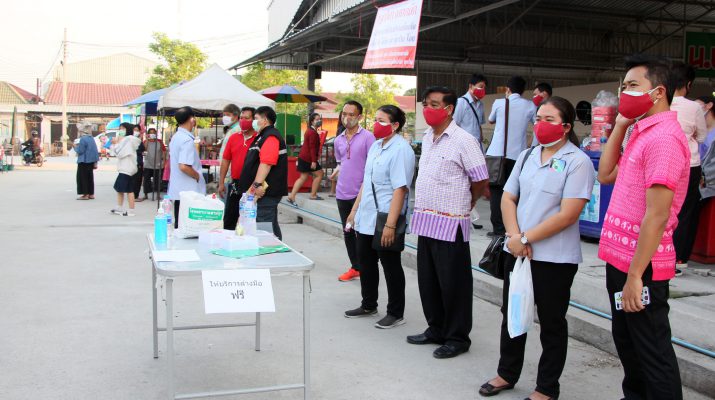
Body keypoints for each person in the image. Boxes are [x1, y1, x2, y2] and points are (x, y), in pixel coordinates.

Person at [479, 97, 595, 400]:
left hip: (554, 258)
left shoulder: (578, 162)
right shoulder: (528, 154)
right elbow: (508, 198)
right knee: (512, 312)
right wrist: (515, 237)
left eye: (549, 119)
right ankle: (507, 373)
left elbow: (568, 214)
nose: (541, 125)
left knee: (552, 322)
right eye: (538, 119)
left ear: (566, 127)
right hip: (518, 253)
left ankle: (546, 387)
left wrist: (525, 239)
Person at [597, 55, 687, 400]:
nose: (625, 92)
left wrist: (636, 275)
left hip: (642, 266)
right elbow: (606, 174)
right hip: (621, 260)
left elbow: (658, 215)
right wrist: (621, 125)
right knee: (628, 341)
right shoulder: (641, 131)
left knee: (652, 349)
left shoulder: (664, 139)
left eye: (633, 85)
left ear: (658, 92)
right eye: (623, 86)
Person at [406, 86, 488, 359]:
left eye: (434, 104)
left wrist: (469, 201)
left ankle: (457, 337)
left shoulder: (464, 140)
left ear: (449, 109)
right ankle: (436, 328)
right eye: (426, 104)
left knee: (454, 284)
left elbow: (480, 179)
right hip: (426, 220)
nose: (428, 109)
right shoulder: (428, 137)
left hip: (450, 222)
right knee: (429, 281)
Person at [343, 105, 415, 328]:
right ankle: (368, 304)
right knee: (366, 262)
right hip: (366, 215)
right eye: (375, 119)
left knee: (390, 265)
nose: (376, 124)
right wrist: (354, 211)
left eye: (382, 120)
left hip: (386, 216)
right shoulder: (375, 146)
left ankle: (395, 312)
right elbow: (367, 181)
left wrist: (391, 225)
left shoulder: (401, 149)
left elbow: (400, 189)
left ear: (395, 125)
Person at [670, 62, 708, 274]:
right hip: (689, 164)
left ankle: (658, 254)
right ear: (689, 84)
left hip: (665, 162)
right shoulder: (694, 107)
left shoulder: (660, 103)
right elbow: (701, 137)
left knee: (661, 209)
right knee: (684, 212)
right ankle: (677, 259)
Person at [487, 76, 537, 237]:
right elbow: (537, 125)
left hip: (496, 154)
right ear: (523, 90)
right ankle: (512, 228)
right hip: (518, 156)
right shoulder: (530, 105)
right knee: (514, 193)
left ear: (507, 89)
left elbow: (490, 120)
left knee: (496, 192)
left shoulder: (499, 103)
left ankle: (498, 229)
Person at [333, 101, 376, 282]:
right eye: (344, 114)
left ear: (359, 117)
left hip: (362, 194)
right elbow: (341, 162)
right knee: (348, 232)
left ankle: (367, 268)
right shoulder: (338, 140)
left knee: (364, 234)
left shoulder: (368, 138)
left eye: (351, 114)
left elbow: (373, 167)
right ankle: (355, 267)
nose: (347, 117)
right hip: (342, 193)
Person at [237, 106, 288, 240]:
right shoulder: (262, 136)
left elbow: (266, 164)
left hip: (265, 192)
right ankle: (277, 248)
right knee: (271, 225)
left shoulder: (271, 136)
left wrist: (255, 187)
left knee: (264, 227)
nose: (253, 122)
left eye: (256, 118)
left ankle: (268, 249)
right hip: (262, 191)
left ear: (265, 120)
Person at [219, 107, 257, 230]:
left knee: (249, 221)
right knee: (229, 219)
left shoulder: (259, 139)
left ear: (254, 120)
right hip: (235, 184)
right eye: (241, 118)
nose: (243, 120)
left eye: (247, 118)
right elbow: (225, 160)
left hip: (252, 186)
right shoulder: (233, 137)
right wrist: (221, 183)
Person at [168, 107, 206, 227]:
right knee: (187, 226)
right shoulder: (186, 140)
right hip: (188, 191)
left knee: (180, 224)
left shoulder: (176, 137)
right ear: (192, 120)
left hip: (179, 190)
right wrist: (197, 176)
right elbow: (184, 166)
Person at [288, 113, 325, 203]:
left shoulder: (310, 131)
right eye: (317, 119)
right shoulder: (312, 132)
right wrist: (314, 161)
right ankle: (313, 195)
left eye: (319, 119)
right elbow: (312, 148)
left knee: (303, 177)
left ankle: (292, 196)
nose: (319, 121)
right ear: (312, 121)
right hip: (308, 158)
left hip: (304, 157)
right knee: (319, 174)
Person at [110, 123, 142, 217]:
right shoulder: (127, 140)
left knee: (129, 190)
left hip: (126, 168)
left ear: (128, 129)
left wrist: (116, 143)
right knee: (120, 189)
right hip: (125, 168)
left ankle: (131, 210)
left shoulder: (129, 140)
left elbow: (120, 153)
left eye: (123, 128)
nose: (121, 130)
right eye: (120, 128)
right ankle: (119, 207)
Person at [453, 73, 488, 146]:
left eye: (484, 88)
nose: (483, 90)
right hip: (464, 144)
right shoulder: (461, 102)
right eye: (481, 87)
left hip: (477, 144)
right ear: (471, 86)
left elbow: (479, 124)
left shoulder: (480, 104)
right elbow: (454, 124)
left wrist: (481, 137)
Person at [218, 104, 243, 194]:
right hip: (227, 172)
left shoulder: (237, 130)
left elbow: (232, 155)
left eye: (228, 115)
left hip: (231, 174)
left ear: (236, 116)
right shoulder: (231, 130)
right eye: (224, 115)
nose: (225, 117)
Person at [75, 122, 99, 200]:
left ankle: (85, 195)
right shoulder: (91, 138)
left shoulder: (83, 139)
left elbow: (80, 151)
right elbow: (95, 151)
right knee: (90, 178)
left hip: (83, 161)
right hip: (91, 161)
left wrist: (75, 147)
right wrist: (95, 162)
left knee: (83, 178)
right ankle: (91, 194)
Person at [143, 128, 166, 200]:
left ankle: (158, 195)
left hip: (157, 164)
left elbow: (164, 151)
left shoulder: (159, 142)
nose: (152, 134)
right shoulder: (145, 141)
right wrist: (147, 139)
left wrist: (164, 161)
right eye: (150, 133)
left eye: (153, 133)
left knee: (158, 181)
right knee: (146, 180)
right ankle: (146, 194)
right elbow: (144, 149)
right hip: (148, 164)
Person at [132, 125, 146, 201]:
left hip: (139, 162)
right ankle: (134, 196)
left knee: (138, 179)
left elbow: (143, 149)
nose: (136, 131)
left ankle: (135, 195)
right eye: (134, 130)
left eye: (137, 130)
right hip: (133, 162)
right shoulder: (130, 139)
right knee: (135, 180)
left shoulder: (140, 140)